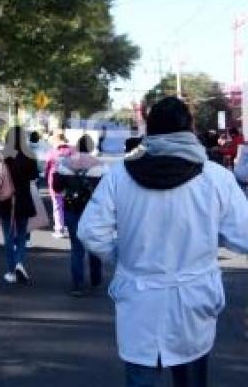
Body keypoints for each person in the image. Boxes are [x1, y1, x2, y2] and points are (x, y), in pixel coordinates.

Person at [78, 97, 248, 387]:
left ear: (150, 130)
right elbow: (243, 236)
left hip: (139, 299)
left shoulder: (119, 175)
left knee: (140, 377)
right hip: (194, 301)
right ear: (191, 129)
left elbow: (90, 231)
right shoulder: (217, 178)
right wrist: (211, 235)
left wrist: (121, 256)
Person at [54, 135, 105, 296]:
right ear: (91, 147)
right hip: (94, 212)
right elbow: (107, 191)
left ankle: (77, 285)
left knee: (76, 248)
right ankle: (95, 279)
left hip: (72, 209)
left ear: (77, 146)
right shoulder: (100, 166)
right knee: (94, 246)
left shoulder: (65, 164)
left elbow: (56, 187)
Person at [0, 126, 39, 284]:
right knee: (21, 236)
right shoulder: (29, 156)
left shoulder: (1, 155)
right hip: (23, 199)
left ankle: (11, 271)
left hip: (4, 200)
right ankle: (19, 262)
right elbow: (34, 176)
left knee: (8, 236)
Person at [45, 132, 73, 238]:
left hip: (55, 181)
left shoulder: (52, 152)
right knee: (68, 205)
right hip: (69, 181)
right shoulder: (71, 151)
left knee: (57, 205)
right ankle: (68, 226)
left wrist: (47, 177)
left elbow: (47, 168)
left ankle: (59, 229)